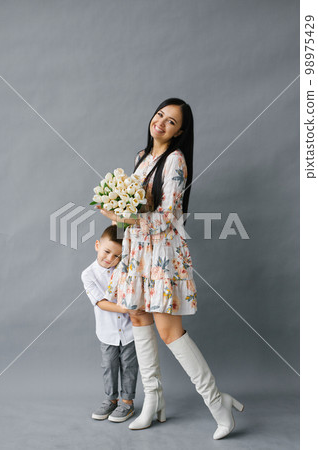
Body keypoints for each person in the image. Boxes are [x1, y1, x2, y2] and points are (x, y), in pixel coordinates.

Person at [97, 98, 244, 440]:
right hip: (137, 252)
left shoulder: (175, 161)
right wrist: (117, 214)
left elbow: (168, 217)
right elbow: (135, 203)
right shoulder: (140, 157)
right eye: (160, 115)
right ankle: (153, 400)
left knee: (170, 333)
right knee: (137, 318)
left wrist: (126, 217)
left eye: (172, 121)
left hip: (162, 254)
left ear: (180, 133)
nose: (161, 122)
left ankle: (217, 402)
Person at [81, 225, 141, 423]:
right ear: (97, 245)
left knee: (129, 366)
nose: (110, 259)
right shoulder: (88, 274)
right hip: (107, 332)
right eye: (107, 252)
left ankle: (127, 402)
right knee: (109, 366)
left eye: (117, 256)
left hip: (130, 331)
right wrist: (126, 309)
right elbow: (101, 303)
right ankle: (110, 400)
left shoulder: (124, 268)